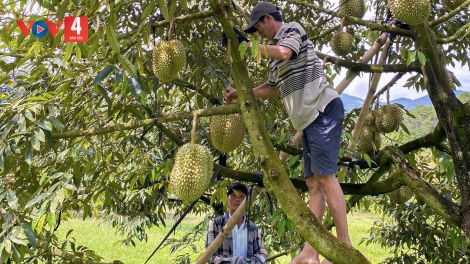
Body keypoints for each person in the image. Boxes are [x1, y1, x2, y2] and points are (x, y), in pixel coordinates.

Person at [224, 2, 352, 264]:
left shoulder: (292, 31)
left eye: (258, 27)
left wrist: (247, 46)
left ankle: (344, 245)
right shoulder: (273, 60)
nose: (259, 34)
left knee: (326, 178)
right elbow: (272, 88)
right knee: (314, 183)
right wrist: (241, 94)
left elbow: (284, 52)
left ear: (268, 18)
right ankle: (311, 250)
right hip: (307, 121)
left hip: (322, 109)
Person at [205, 183, 268, 264]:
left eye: (242, 197)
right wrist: (234, 261)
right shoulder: (217, 224)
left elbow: (262, 254)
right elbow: (210, 256)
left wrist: (251, 262)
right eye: (234, 196)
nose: (237, 199)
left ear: (248, 201)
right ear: (227, 200)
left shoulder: (252, 227)